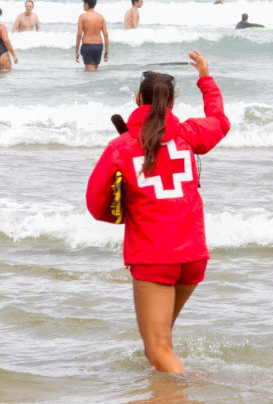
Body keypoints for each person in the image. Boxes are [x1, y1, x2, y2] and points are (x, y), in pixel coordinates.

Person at [86, 51, 230, 373]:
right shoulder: (189, 134)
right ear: (172, 104)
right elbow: (220, 122)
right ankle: (163, 392)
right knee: (163, 341)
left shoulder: (122, 147)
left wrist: (124, 214)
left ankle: (187, 392)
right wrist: (205, 78)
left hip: (153, 257)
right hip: (193, 257)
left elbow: (97, 206)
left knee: (156, 348)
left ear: (137, 99)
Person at [75, 0, 109, 71]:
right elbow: (106, 35)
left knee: (90, 74)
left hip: (88, 47)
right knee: (94, 72)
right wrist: (106, 52)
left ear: (87, 4)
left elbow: (79, 35)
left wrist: (76, 51)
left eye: (83, 4)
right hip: (99, 46)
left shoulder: (82, 17)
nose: (83, 6)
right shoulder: (101, 17)